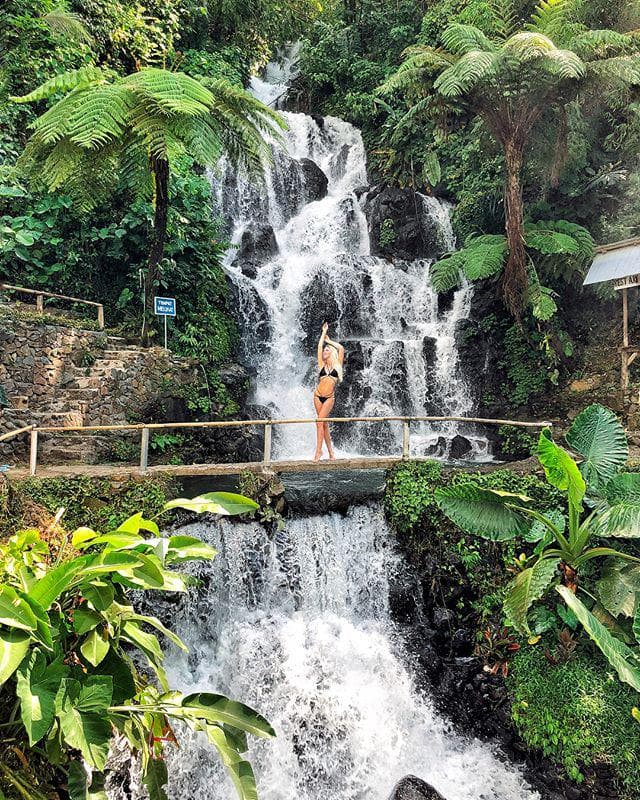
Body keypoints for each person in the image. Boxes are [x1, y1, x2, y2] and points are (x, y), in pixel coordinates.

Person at [313, 322, 344, 461]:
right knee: (322, 424)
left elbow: (341, 348)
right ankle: (330, 452)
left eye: (327, 350)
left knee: (320, 422)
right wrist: (323, 333)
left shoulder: (337, 366)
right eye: (324, 350)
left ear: (331, 353)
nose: (324, 351)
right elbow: (319, 347)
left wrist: (329, 341)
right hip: (317, 396)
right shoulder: (321, 365)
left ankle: (319, 452)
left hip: (329, 398)